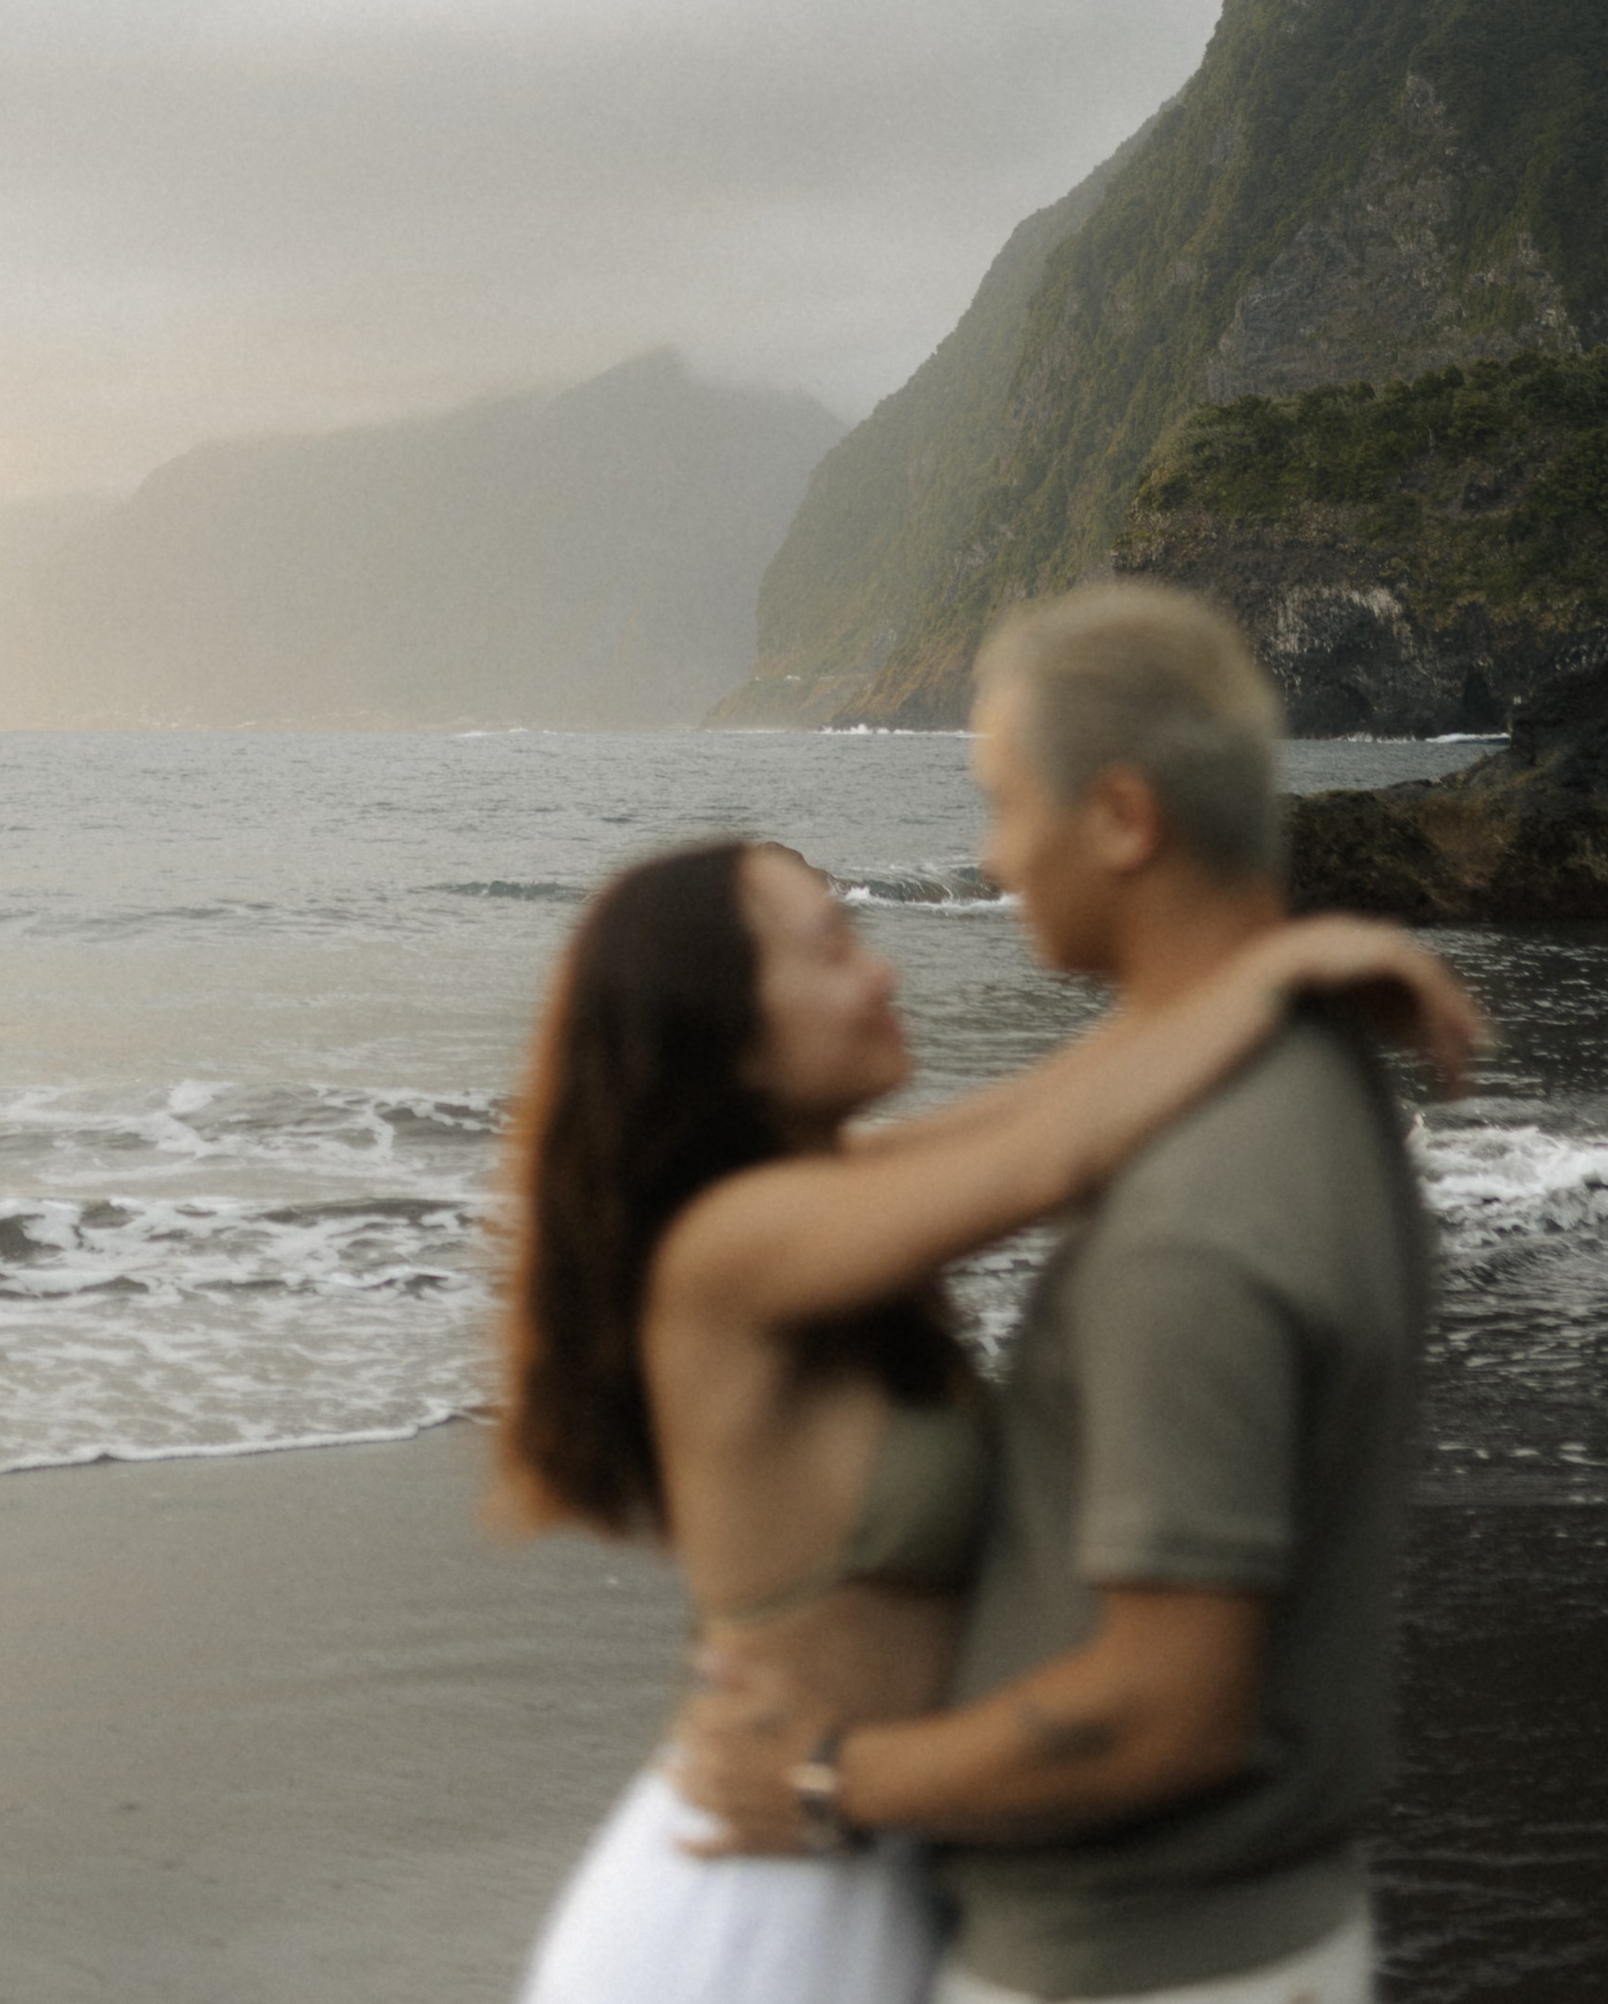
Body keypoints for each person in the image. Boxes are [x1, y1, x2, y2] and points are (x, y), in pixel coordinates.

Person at [499, 778, 1480, 2003]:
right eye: (834, 947)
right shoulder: (727, 1247)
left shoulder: (832, 1191)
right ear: (726, 1030)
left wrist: (1264, 958)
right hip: (751, 1903)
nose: (883, 975)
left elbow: (1049, 1100)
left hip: (861, 1851)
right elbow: (1051, 1153)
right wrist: (1274, 978)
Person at [678, 581, 1443, 2004]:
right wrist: (1279, 967)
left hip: (1130, 1968)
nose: (993, 856)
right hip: (1239, 1935)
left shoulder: (1189, 1218)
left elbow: (1172, 1711)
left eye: (1005, 799)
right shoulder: (1314, 1083)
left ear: (1122, 820)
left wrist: (834, 1779)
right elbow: (1028, 1144)